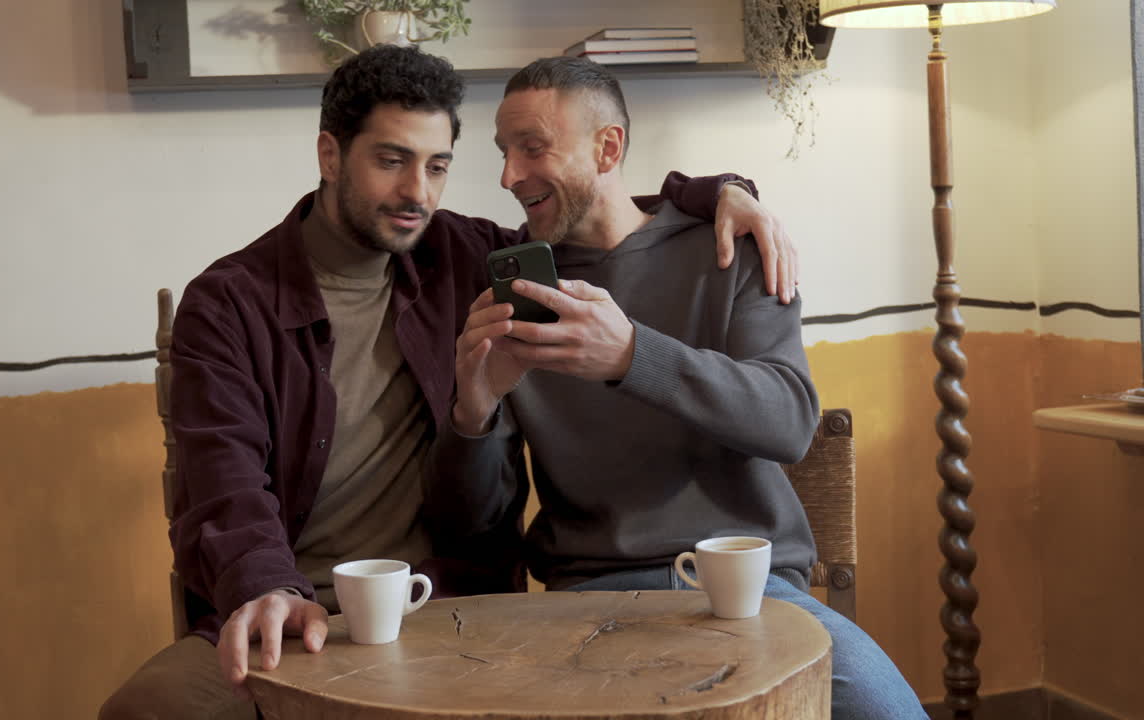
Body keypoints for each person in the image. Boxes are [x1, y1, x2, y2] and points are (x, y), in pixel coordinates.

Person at [100, 45, 797, 720]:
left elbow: (594, 208)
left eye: (437, 166)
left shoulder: (467, 258)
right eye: (391, 161)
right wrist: (265, 586)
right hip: (289, 607)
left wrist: (717, 194)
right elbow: (221, 481)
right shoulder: (231, 302)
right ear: (330, 155)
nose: (417, 193)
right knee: (150, 708)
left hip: (451, 610)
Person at [422, 56, 928, 720]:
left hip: (753, 591)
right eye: (504, 152)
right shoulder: (519, 298)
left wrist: (632, 354)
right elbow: (470, 525)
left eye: (533, 149)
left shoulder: (730, 247)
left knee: (888, 712)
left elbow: (789, 424)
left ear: (608, 148)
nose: (509, 176)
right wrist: (473, 411)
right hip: (589, 605)